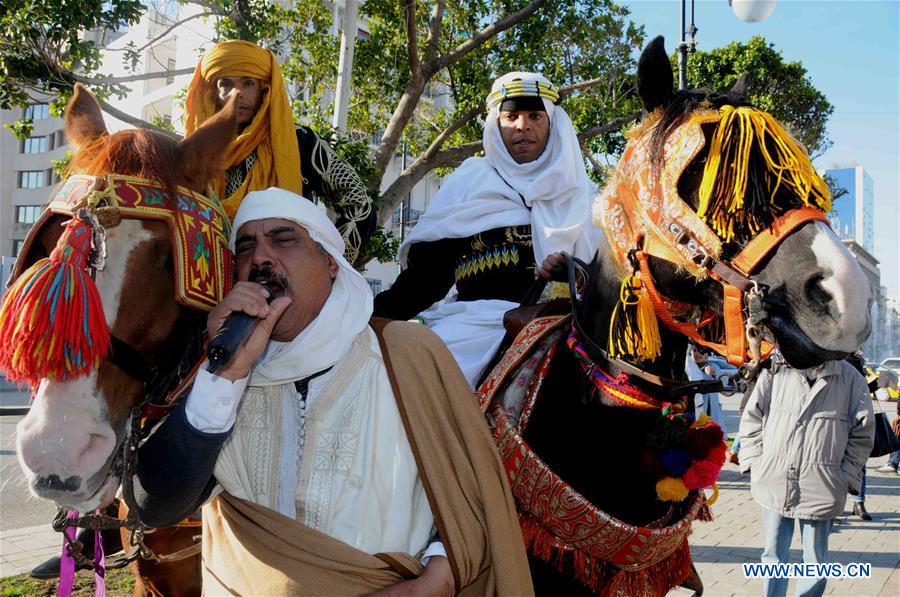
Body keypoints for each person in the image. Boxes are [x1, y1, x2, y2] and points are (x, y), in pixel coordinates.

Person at [130, 188, 533, 595]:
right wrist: (226, 374)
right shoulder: (223, 372)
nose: (261, 258)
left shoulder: (404, 352)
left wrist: (438, 578)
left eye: (284, 239)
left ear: (331, 263)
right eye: (246, 247)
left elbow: (474, 498)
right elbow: (157, 505)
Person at [373, 72, 598, 387]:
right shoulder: (470, 182)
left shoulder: (586, 196)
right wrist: (366, 317)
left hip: (572, 330)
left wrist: (575, 271)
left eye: (535, 116)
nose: (523, 125)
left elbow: (610, 278)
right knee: (414, 383)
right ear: (496, 124)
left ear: (552, 123)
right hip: (469, 333)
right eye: (511, 116)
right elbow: (424, 281)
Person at [184, 39, 374, 262]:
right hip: (206, 284)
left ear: (264, 89)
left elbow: (359, 203)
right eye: (225, 84)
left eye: (247, 83)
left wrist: (328, 265)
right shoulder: (195, 151)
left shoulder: (299, 141)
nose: (237, 94)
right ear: (211, 92)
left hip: (282, 283)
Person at [739, 358, 875, 597]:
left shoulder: (850, 378)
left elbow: (863, 433)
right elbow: (752, 417)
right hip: (774, 477)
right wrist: (755, 462)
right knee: (773, 555)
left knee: (816, 561)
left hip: (824, 483)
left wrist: (846, 476)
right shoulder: (777, 369)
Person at [686, 345, 727, 430]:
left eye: (702, 352)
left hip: (711, 407)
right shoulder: (689, 367)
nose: (697, 354)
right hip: (696, 406)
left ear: (707, 356)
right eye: (695, 351)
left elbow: (725, 381)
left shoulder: (712, 366)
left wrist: (714, 374)